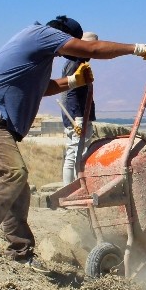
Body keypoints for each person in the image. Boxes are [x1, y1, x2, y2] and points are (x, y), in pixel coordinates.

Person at [0, 16, 146, 263]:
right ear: (64, 36)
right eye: (69, 45)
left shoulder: (36, 48)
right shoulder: (42, 34)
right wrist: (136, 49)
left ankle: (20, 252)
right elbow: (92, 48)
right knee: (13, 173)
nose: (65, 55)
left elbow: (43, 88)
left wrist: (72, 81)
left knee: (19, 186)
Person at [60, 33, 98, 185]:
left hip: (74, 115)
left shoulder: (72, 62)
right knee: (77, 155)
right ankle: (75, 188)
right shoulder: (76, 64)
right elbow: (72, 93)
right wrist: (79, 119)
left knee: (73, 153)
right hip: (78, 116)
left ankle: (70, 188)